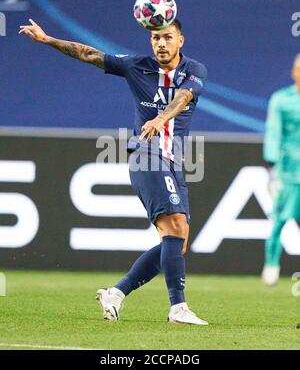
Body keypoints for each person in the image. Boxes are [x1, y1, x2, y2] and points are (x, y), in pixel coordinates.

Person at [19, 18, 208, 325]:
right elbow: (89, 54)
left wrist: (161, 118)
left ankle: (116, 293)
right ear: (150, 42)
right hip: (147, 155)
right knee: (174, 226)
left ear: (180, 41)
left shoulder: (194, 71)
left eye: (168, 37)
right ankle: (178, 308)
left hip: (174, 162)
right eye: (156, 38)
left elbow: (183, 97)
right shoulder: (136, 66)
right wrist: (47, 40)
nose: (161, 43)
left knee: (177, 240)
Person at [262, 54, 300, 286]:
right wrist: (272, 165)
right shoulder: (281, 99)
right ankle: (272, 264)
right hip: (287, 172)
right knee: (279, 219)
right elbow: (273, 132)